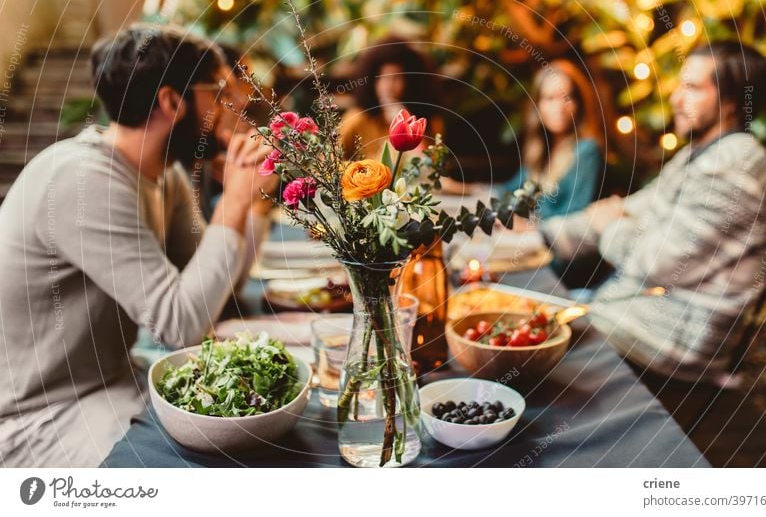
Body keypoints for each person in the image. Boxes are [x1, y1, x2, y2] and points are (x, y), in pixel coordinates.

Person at [0, 24, 275, 467]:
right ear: (172, 102)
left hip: (115, 382)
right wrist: (232, 207)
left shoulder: (163, 175)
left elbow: (214, 297)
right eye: (220, 91)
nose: (239, 104)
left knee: (254, 415)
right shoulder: (83, 181)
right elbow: (181, 326)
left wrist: (251, 205)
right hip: (39, 419)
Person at [538, 41, 766, 383]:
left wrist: (612, 228)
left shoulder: (735, 166)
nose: (676, 99)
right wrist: (539, 235)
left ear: (730, 103)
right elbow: (628, 209)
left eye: (692, 88)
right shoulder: (700, 155)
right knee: (524, 316)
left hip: (667, 342)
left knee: (527, 351)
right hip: (628, 314)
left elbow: (658, 262)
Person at [504, 59, 604, 220]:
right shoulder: (540, 149)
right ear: (538, 104)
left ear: (579, 104)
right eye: (550, 98)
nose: (559, 108)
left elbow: (575, 213)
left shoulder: (587, 150)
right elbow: (508, 190)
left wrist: (528, 225)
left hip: (562, 242)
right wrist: (462, 188)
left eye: (567, 97)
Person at [339, 36, 443, 160]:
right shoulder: (356, 119)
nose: (388, 86)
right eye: (382, 77)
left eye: (396, 78)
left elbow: (431, 168)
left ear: (410, 82)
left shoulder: (428, 122)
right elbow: (328, 163)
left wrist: (406, 127)